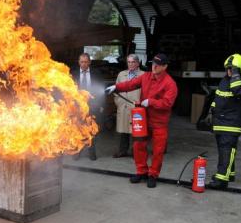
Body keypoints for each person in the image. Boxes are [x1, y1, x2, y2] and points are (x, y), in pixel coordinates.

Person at [105, 53, 177, 188]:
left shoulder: (170, 84)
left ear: (165, 66)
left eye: (158, 65)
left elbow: (167, 103)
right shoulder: (146, 76)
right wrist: (116, 87)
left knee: (158, 150)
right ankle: (141, 171)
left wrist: (151, 102)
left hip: (159, 122)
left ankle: (153, 174)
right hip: (144, 119)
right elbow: (131, 84)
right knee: (138, 146)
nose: (154, 66)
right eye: (153, 63)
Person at [209, 53, 241, 189]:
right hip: (220, 122)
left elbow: (237, 90)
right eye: (228, 68)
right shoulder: (224, 81)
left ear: (238, 70)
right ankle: (229, 174)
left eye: (232, 69)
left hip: (232, 124)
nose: (228, 71)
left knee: (227, 150)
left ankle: (222, 180)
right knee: (224, 150)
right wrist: (211, 112)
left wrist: (235, 75)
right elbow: (218, 98)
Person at [71, 53, 105, 161]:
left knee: (92, 129)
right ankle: (78, 151)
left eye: (86, 62)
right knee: (78, 129)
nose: (84, 64)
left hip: (93, 106)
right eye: (82, 62)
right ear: (78, 62)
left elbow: (102, 90)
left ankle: (92, 152)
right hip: (78, 107)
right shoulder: (73, 74)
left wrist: (102, 105)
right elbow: (69, 91)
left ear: (89, 62)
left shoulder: (96, 73)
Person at [113, 54, 144, 158]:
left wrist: (141, 104)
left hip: (136, 108)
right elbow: (116, 90)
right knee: (123, 130)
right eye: (129, 62)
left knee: (136, 131)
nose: (131, 64)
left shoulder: (143, 75)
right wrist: (118, 102)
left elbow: (146, 92)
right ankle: (122, 151)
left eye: (133, 62)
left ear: (137, 63)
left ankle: (135, 152)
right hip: (123, 106)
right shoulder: (121, 74)